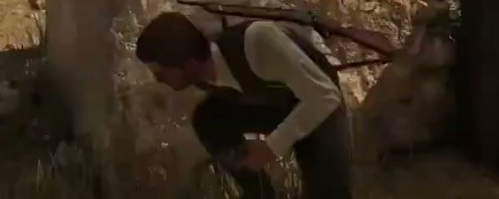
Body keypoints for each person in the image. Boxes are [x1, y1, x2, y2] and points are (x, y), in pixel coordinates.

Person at [135, 12, 352, 199]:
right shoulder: (201, 74)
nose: (158, 80)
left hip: (320, 106)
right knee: (208, 119)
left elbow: (325, 96)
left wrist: (271, 147)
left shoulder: (257, 42)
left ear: (188, 64)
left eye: (161, 72)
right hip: (275, 105)